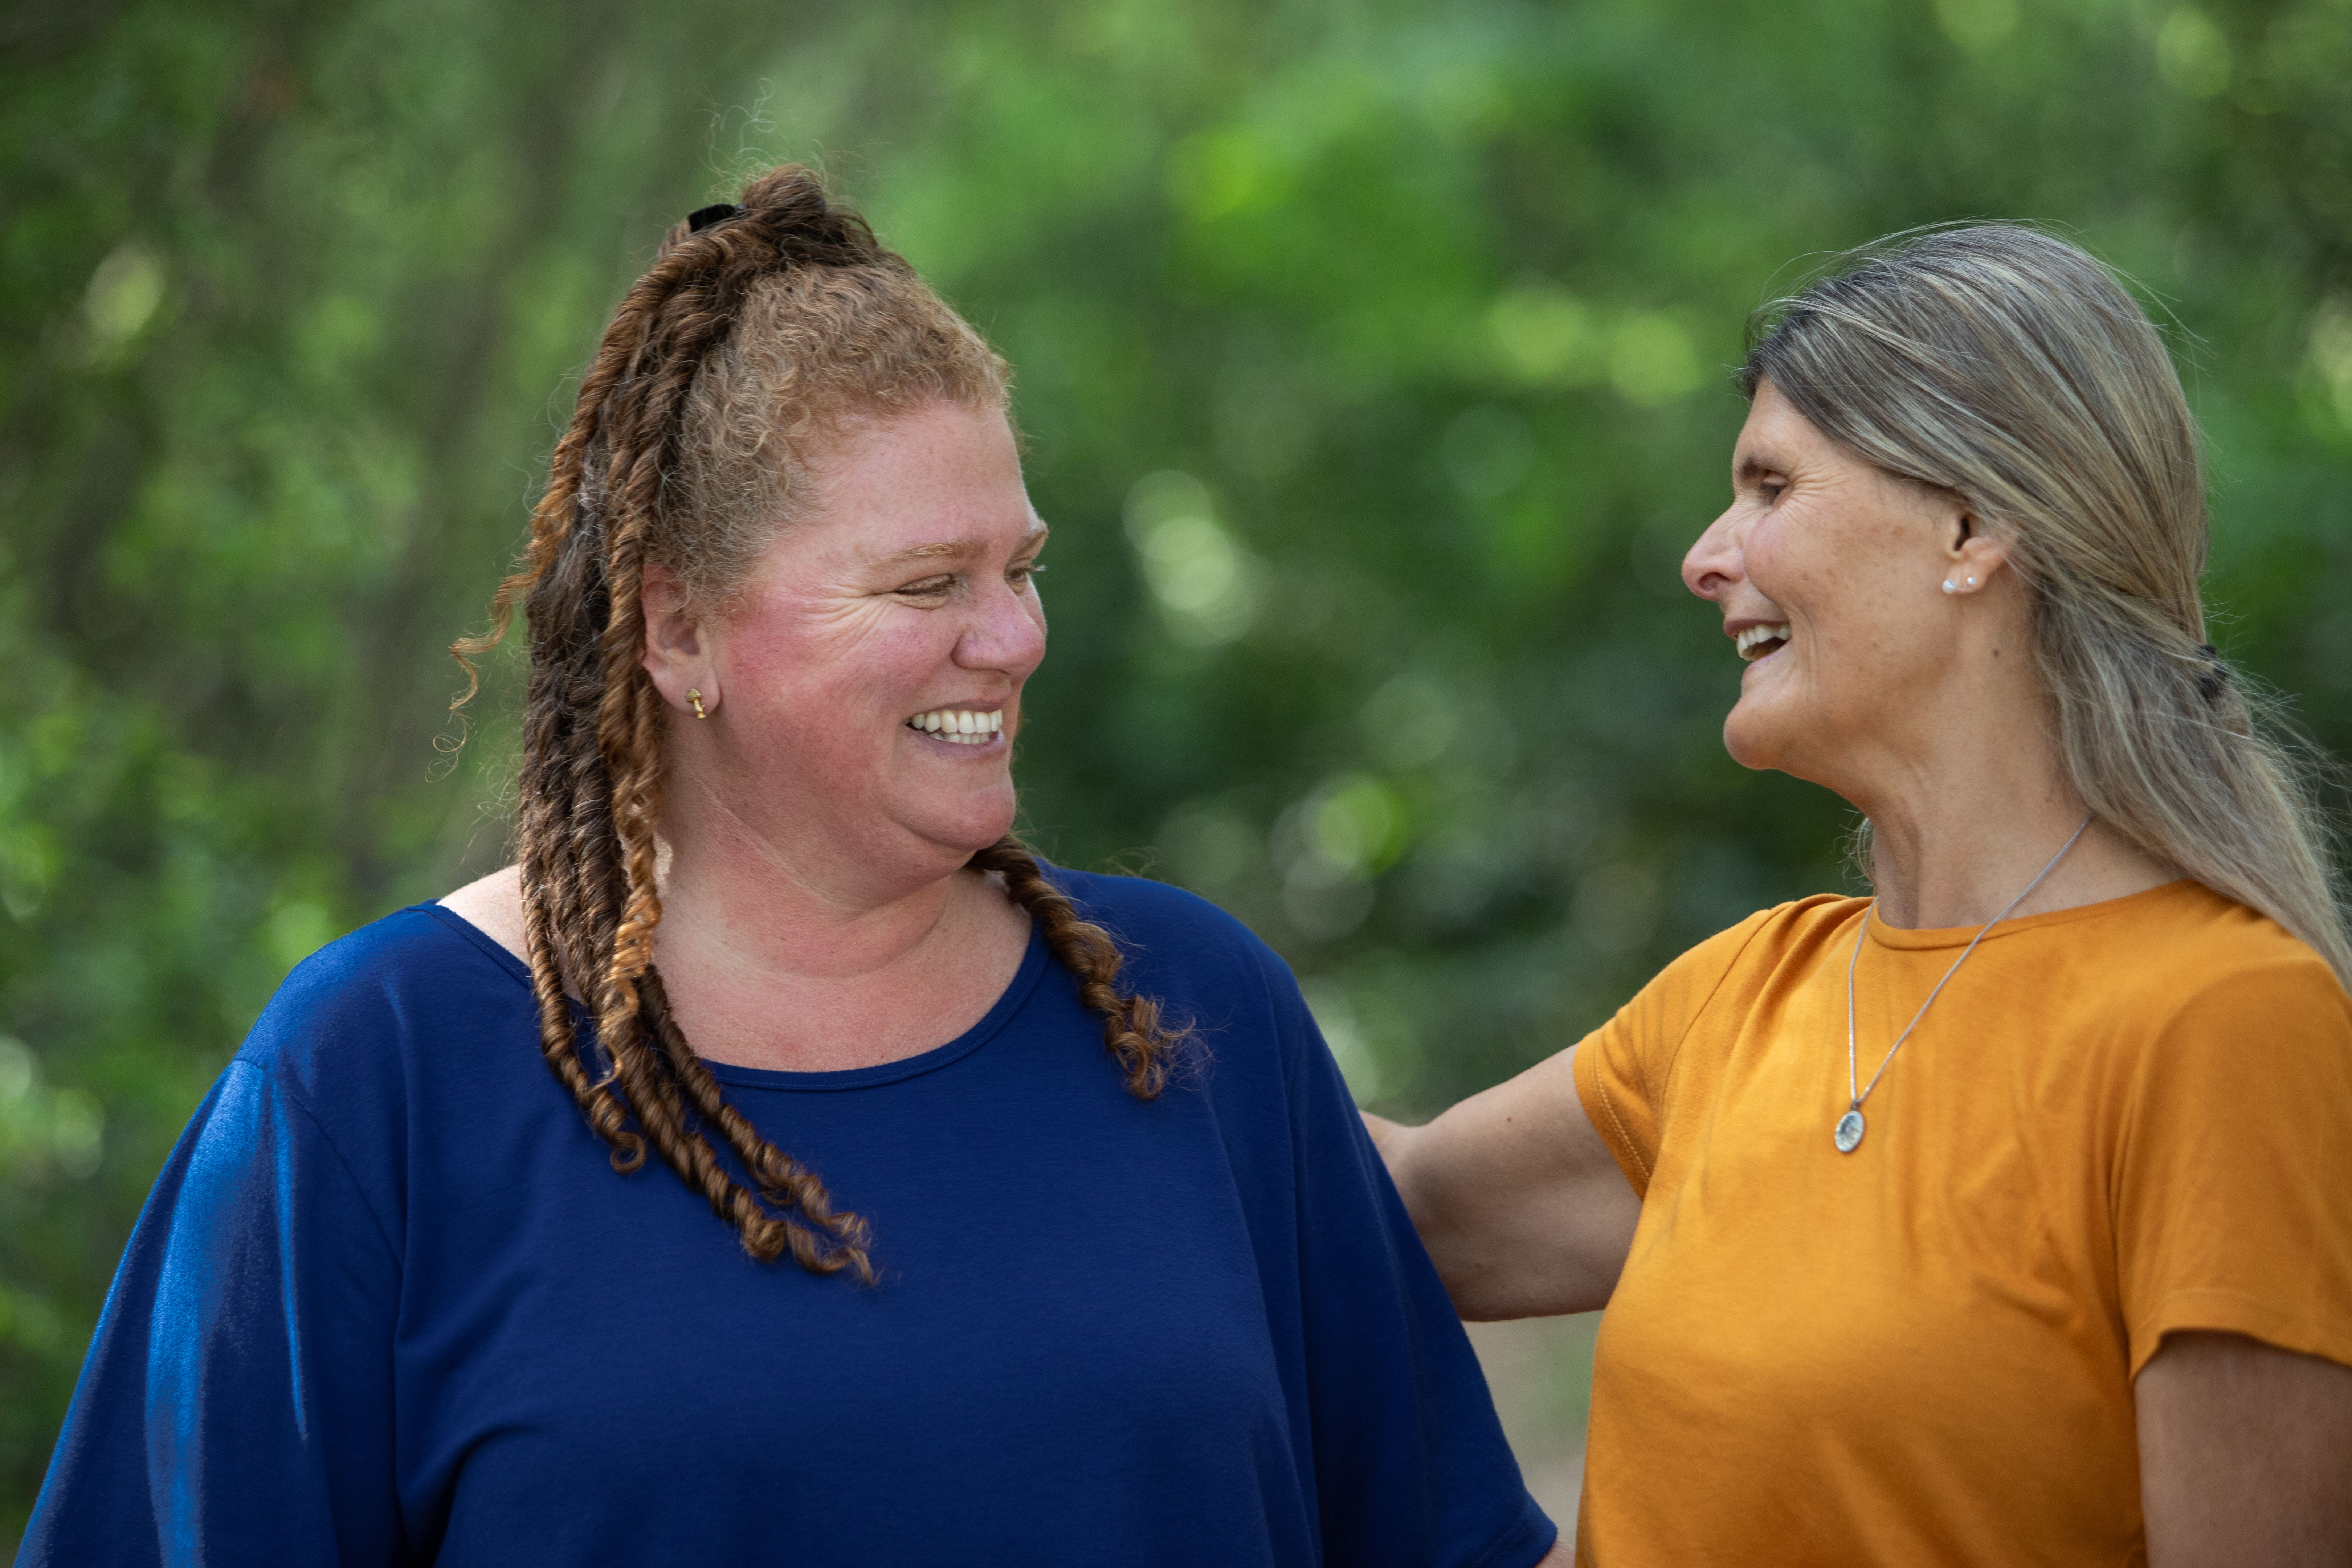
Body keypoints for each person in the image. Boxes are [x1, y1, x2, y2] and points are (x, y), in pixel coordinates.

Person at [23, 166, 1559, 1568]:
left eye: (1022, 569)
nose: (1015, 638)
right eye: (926, 584)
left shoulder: (1192, 1015)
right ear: (678, 629)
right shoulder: (377, 1077)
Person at [1370, 226, 2352, 1566]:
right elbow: (1391, 1208)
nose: (1707, 557)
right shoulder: (1746, 997)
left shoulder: (2224, 1023)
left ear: (1971, 524)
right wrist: (1048, 947)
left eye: (1771, 487)